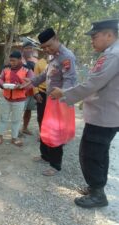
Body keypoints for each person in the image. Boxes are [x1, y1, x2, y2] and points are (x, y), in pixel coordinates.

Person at [50, 19, 119, 208]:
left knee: (90, 153)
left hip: (103, 116)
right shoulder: (111, 53)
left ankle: (97, 194)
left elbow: (93, 83)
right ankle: (97, 187)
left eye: (95, 36)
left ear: (109, 35)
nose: (92, 41)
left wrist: (64, 94)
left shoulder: (113, 55)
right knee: (100, 152)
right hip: (107, 113)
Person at [24, 28, 77, 176]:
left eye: (49, 45)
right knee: (44, 127)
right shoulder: (53, 56)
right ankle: (45, 156)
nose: (47, 49)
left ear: (56, 38)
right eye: (44, 48)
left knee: (56, 132)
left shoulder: (66, 57)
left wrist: (62, 92)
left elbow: (70, 80)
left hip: (60, 101)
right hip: (50, 99)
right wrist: (32, 81)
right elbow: (45, 74)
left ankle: (55, 165)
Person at [0, 50, 34, 147]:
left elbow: (32, 82)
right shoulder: (6, 69)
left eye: (14, 61)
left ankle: (14, 138)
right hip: (6, 98)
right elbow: (0, 79)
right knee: (3, 118)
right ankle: (0, 136)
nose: (11, 63)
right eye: (10, 61)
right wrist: (2, 85)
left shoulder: (27, 70)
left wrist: (22, 86)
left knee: (16, 120)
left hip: (19, 100)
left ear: (20, 60)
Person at [20, 41, 38, 136]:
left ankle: (25, 128)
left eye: (30, 48)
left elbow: (39, 74)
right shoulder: (19, 60)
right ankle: (17, 130)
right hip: (21, 90)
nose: (29, 50)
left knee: (28, 110)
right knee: (19, 110)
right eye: (27, 48)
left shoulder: (36, 60)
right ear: (22, 49)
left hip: (32, 90)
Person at [33, 50, 48, 138]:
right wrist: (36, 93)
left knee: (53, 116)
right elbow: (35, 79)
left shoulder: (58, 62)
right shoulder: (39, 63)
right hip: (42, 92)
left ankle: (53, 134)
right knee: (41, 115)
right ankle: (42, 134)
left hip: (54, 94)